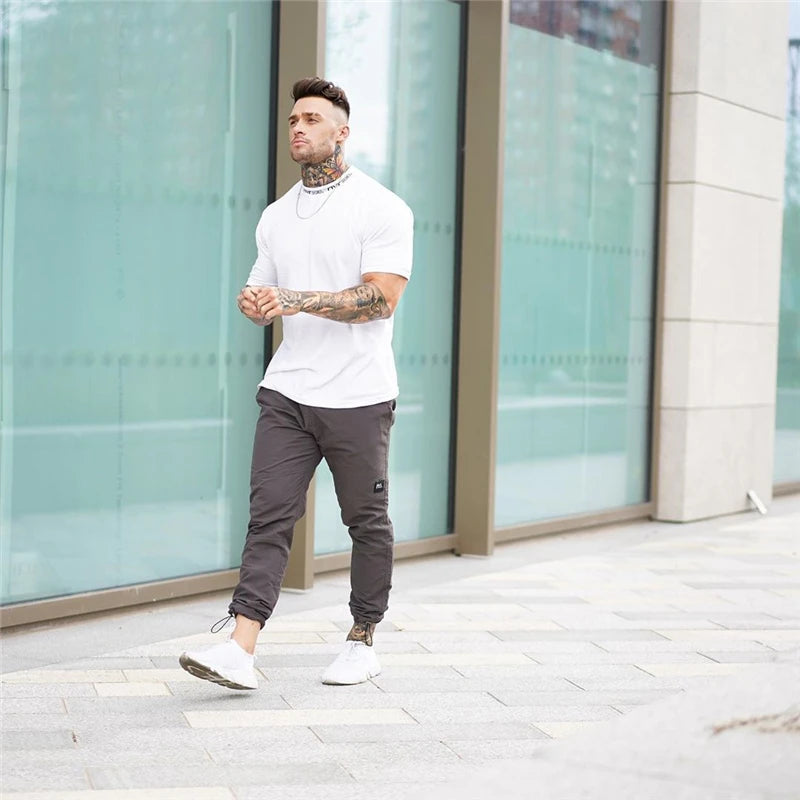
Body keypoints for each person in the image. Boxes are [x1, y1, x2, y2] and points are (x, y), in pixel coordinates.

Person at [178, 77, 413, 690]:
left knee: (366, 521)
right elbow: (263, 289)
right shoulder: (276, 216)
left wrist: (294, 299)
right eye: (293, 120)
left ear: (342, 131)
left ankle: (362, 639)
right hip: (288, 391)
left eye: (312, 119)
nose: (299, 128)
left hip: (359, 395)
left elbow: (380, 300)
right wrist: (256, 302)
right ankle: (241, 647)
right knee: (269, 517)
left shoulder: (382, 207)